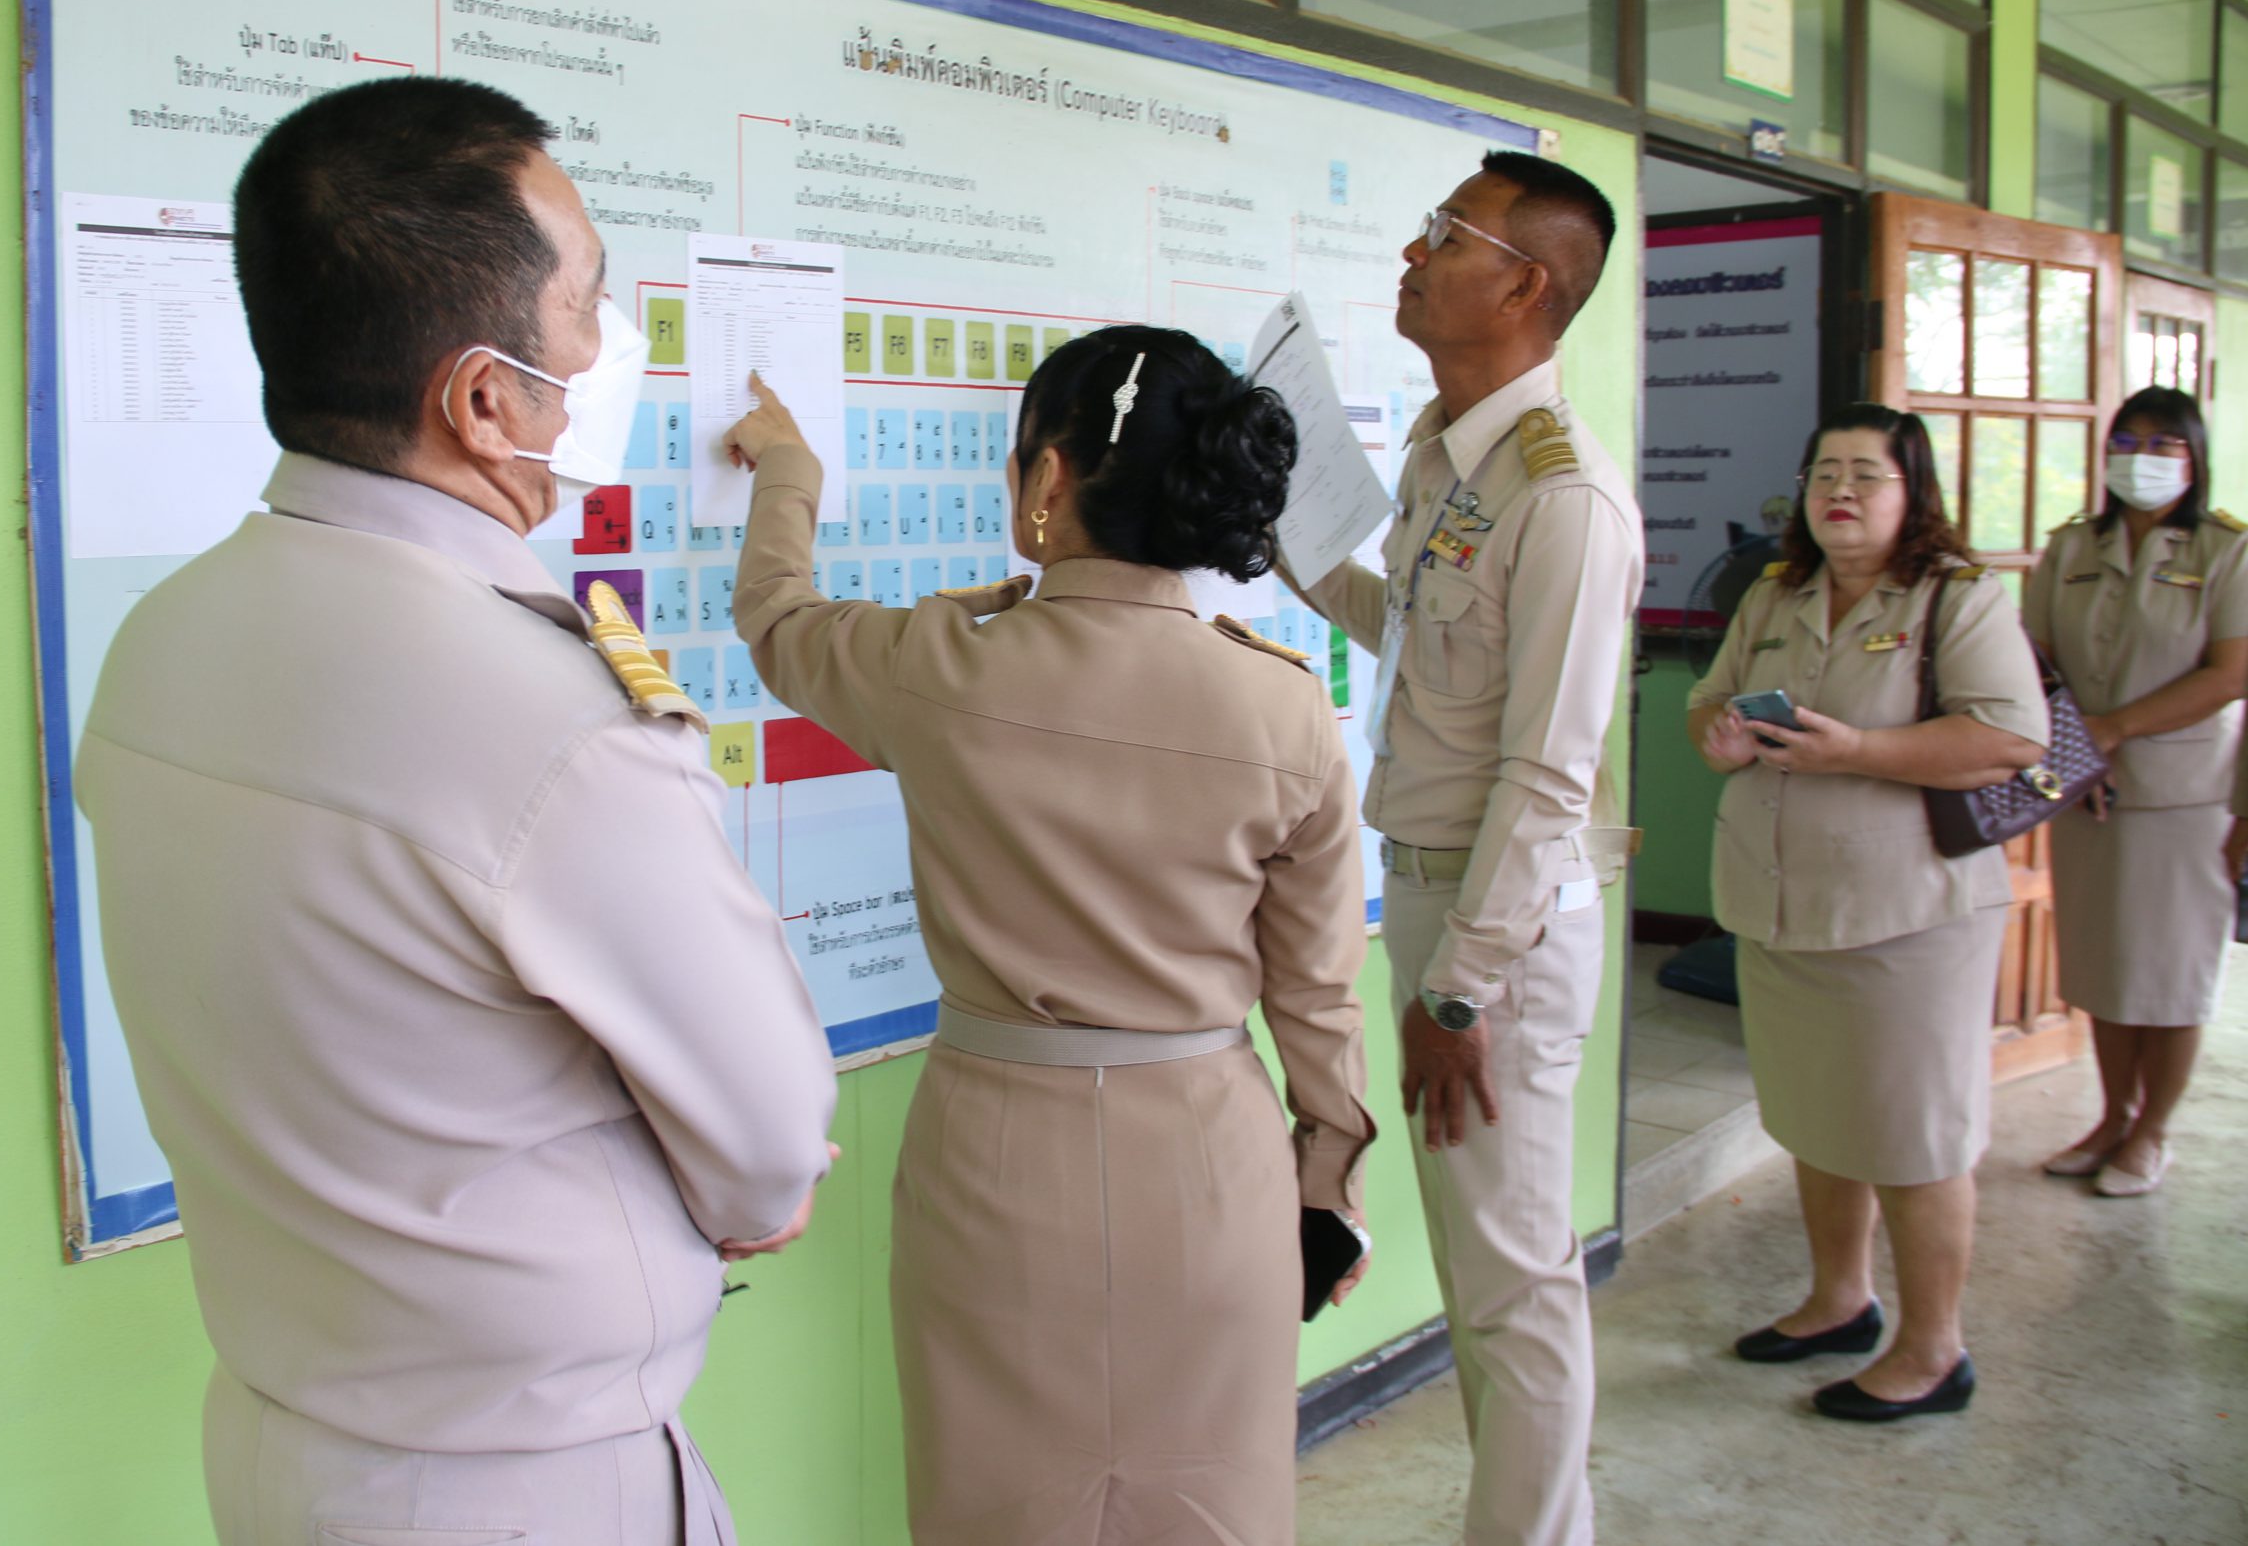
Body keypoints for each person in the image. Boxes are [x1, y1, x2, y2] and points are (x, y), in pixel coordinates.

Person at [74, 76, 839, 1546]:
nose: (610, 345)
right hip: (528, 1486)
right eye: (590, 302)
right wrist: (756, 1179)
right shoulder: (550, 722)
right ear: (486, 400)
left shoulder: (167, 634)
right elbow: (767, 1138)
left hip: (283, 1441)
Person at [723, 325, 1376, 1546]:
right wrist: (1327, 1185)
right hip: (1214, 1164)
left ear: (1050, 478)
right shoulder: (1285, 707)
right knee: (1210, 1507)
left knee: (996, 1502)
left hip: (995, 1153)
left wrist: (789, 470)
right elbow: (1317, 991)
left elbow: (775, 615)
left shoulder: (936, 668)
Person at [1289, 150, 1638, 1546]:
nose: (1412, 256)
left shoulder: (1563, 496)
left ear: (1523, 283)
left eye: (1445, 236)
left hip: (1501, 935)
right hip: (1446, 904)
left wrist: (1456, 992)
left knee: (1513, 1284)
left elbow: (1546, 774)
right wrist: (1288, 540)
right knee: (1489, 1271)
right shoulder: (1450, 451)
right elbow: (1418, 641)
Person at [1688, 405, 2048, 1423]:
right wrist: (1717, 735)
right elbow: (1708, 700)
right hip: (1781, 904)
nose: (1839, 491)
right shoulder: (1777, 592)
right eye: (1823, 474)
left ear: (1911, 490)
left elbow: (2011, 738)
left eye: (1866, 474)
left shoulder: (1956, 597)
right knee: (1819, 1116)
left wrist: (1858, 751)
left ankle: (1934, 1350)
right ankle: (1839, 1300)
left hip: (1908, 919)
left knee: (1914, 1137)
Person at [2028, 387, 2248, 1198]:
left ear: (2194, 457)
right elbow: (2032, 663)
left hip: (2185, 798)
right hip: (2088, 792)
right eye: (2126, 441)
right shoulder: (2071, 547)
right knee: (2104, 969)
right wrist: (2074, 749)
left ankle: (2153, 1131)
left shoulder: (2225, 552)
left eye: (2163, 444)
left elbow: (2231, 673)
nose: (2141, 458)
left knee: (2171, 976)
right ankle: (2112, 1115)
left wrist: (2112, 728)